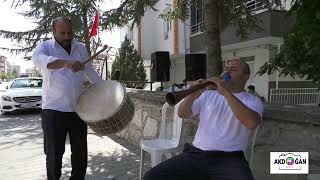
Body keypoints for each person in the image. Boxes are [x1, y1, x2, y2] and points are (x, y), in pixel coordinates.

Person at [143, 59, 264, 180]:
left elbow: (252, 123)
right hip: (196, 155)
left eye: (233, 69)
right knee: (151, 177)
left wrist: (226, 93)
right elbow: (182, 114)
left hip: (230, 159)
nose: (227, 72)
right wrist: (192, 95)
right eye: (226, 68)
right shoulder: (208, 95)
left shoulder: (252, 101)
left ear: (246, 76)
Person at [32, 17, 102, 180]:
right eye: (62, 33)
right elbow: (39, 60)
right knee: (54, 155)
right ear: (53, 31)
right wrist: (66, 63)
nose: (67, 36)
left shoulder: (80, 48)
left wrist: (105, 88)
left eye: (70, 32)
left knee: (80, 155)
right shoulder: (45, 47)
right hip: (53, 110)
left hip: (78, 109)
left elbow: (90, 72)